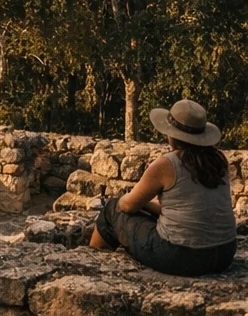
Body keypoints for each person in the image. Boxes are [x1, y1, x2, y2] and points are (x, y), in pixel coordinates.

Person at [88, 99, 238, 275]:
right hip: (224, 254)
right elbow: (186, 213)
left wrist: (127, 198)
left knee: (111, 209)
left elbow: (126, 206)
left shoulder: (167, 164)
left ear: (171, 135)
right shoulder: (218, 161)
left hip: (182, 256)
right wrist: (144, 204)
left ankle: (92, 266)